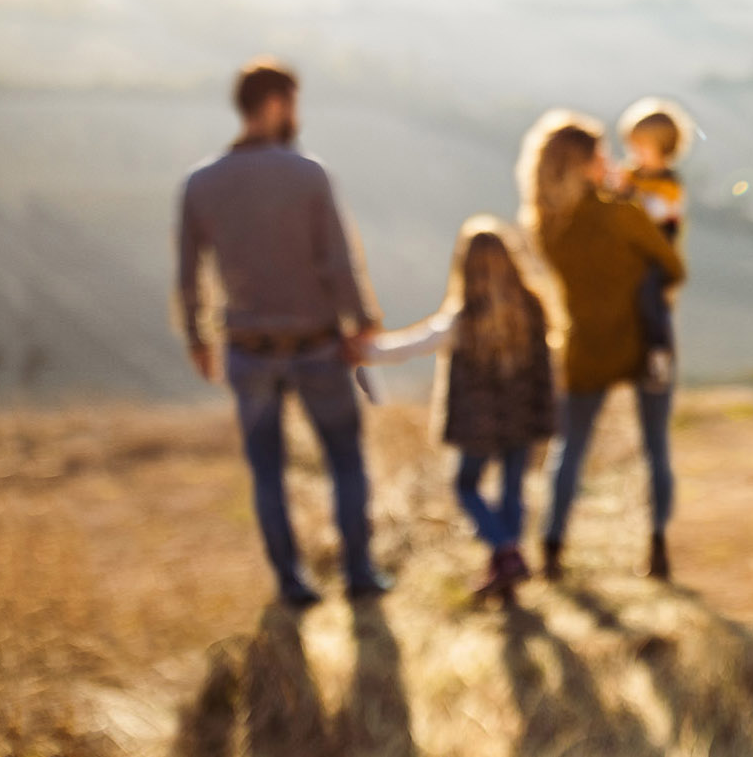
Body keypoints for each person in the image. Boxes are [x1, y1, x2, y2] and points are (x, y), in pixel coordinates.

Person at [175, 57, 392, 606]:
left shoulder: (200, 183)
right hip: (316, 343)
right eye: (292, 103)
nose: (296, 116)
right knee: (345, 458)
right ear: (275, 103)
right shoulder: (307, 174)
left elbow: (187, 272)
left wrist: (199, 340)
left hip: (247, 349)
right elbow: (338, 262)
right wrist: (362, 321)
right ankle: (359, 574)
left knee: (266, 470)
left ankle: (292, 583)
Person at [516, 110, 687, 582]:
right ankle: (657, 550)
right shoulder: (622, 216)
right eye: (602, 154)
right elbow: (673, 267)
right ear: (587, 164)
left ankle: (551, 549)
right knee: (656, 449)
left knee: (569, 450)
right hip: (645, 341)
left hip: (585, 345)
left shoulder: (545, 227)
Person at [367, 215, 555, 604]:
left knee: (466, 486)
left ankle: (505, 552)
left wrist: (364, 350)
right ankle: (506, 565)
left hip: (479, 425)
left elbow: (413, 345)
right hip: (521, 418)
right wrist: (545, 414)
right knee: (512, 492)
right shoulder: (532, 307)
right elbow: (546, 368)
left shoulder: (463, 316)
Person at [613, 97, 695, 392]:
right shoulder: (630, 175)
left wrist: (630, 193)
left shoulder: (669, 183)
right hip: (627, 258)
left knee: (651, 300)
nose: (635, 153)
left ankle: (659, 354)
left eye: (642, 146)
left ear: (664, 148)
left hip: (657, 259)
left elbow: (659, 214)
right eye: (632, 145)